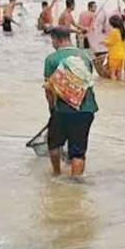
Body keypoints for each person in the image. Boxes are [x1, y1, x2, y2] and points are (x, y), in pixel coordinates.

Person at [43, 26, 98, 177]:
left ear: (57, 39)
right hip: (87, 109)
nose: (52, 43)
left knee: (54, 144)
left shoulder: (51, 59)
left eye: (52, 40)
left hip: (63, 110)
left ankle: (56, 174)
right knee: (78, 151)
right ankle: (76, 184)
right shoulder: (85, 56)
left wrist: (52, 109)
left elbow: (49, 89)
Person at [105, 15, 125, 81]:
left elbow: (110, 43)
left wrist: (103, 42)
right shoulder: (122, 31)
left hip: (115, 55)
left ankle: (114, 88)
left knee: (113, 73)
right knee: (119, 73)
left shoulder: (114, 31)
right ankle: (119, 87)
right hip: (122, 55)